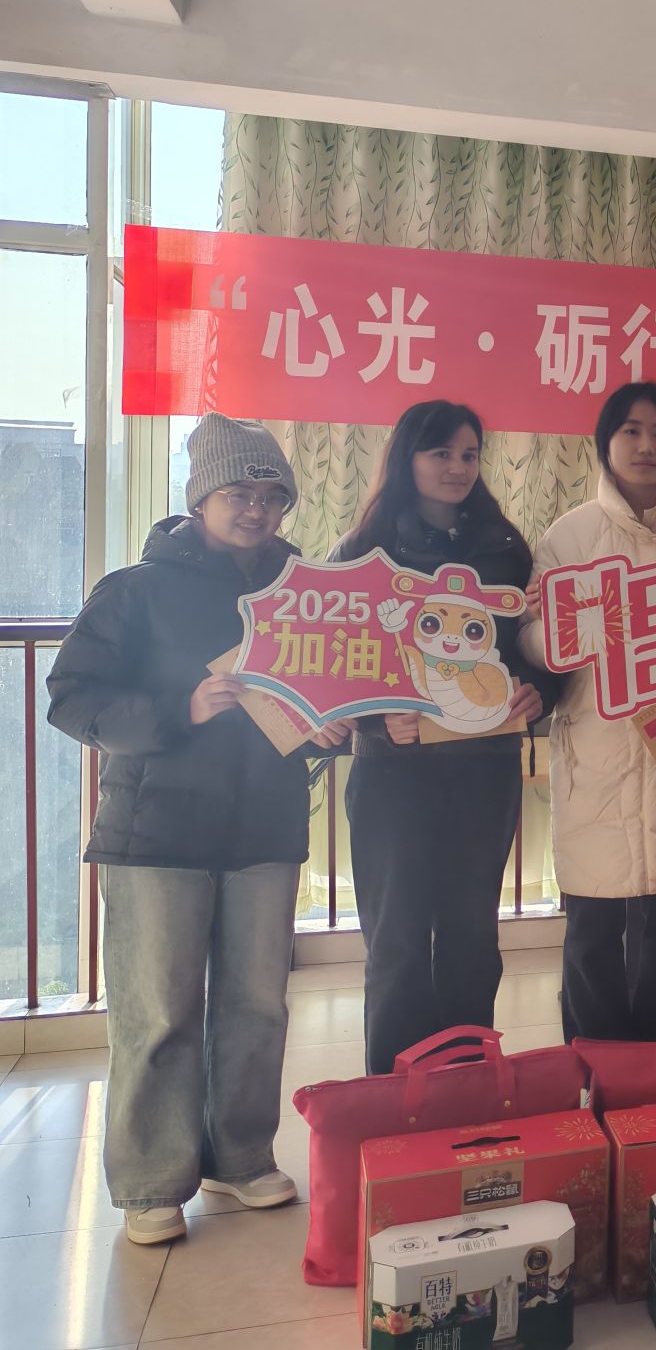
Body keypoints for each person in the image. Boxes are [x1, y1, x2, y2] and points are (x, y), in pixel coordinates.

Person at [46, 415, 351, 1245]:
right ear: (200, 498)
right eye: (238, 492)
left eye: (272, 496)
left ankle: (241, 1156)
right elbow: (71, 696)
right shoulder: (135, 589)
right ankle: (151, 1182)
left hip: (264, 825)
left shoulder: (302, 596)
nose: (257, 509)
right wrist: (178, 708)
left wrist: (330, 726)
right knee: (158, 1011)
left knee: (258, 1005)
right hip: (157, 832)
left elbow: (326, 695)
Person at [330, 401, 557, 1074]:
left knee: (470, 939)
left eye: (469, 454)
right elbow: (334, 664)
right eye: (441, 453)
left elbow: (536, 650)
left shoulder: (506, 548)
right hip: (392, 777)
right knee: (396, 943)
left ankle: (465, 1088)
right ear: (407, 458)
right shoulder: (362, 551)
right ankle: (394, 1098)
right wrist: (376, 718)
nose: (458, 467)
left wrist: (537, 694)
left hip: (483, 773)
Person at [521, 382, 656, 1042]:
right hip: (601, 754)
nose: (647, 446)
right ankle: (596, 1069)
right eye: (631, 431)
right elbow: (531, 639)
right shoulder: (569, 536)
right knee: (592, 928)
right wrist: (569, 632)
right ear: (606, 442)